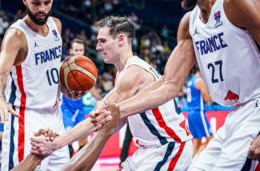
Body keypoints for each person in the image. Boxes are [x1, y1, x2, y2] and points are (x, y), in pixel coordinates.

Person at [91, 0, 260, 170]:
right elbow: (168, 84)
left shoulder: (238, 0)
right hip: (237, 112)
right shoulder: (189, 23)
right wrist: (117, 109)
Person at [30, 16, 193, 170]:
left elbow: (100, 119)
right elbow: (110, 122)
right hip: (149, 149)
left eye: (102, 41)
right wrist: (67, 138)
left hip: (169, 146)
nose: (97, 47)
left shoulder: (132, 72)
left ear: (120, 39)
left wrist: (58, 142)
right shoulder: (125, 72)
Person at [0, 0, 69, 171]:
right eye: (35, 3)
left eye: (46, 2)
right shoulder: (16, 35)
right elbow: (1, 72)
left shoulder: (56, 26)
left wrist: (67, 87)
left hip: (55, 115)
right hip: (27, 117)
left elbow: (50, 68)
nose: (41, 9)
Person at [60, 38, 102, 156]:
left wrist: (103, 101)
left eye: (81, 50)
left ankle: (79, 166)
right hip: (65, 110)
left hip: (79, 109)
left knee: (83, 141)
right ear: (71, 51)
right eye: (76, 50)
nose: (78, 52)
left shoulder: (86, 67)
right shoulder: (64, 66)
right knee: (66, 141)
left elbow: (91, 88)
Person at [186, 69, 213, 157]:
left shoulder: (191, 81)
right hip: (198, 112)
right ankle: (199, 158)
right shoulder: (200, 81)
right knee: (211, 139)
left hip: (190, 113)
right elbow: (207, 99)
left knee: (197, 141)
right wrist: (211, 96)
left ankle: (191, 161)